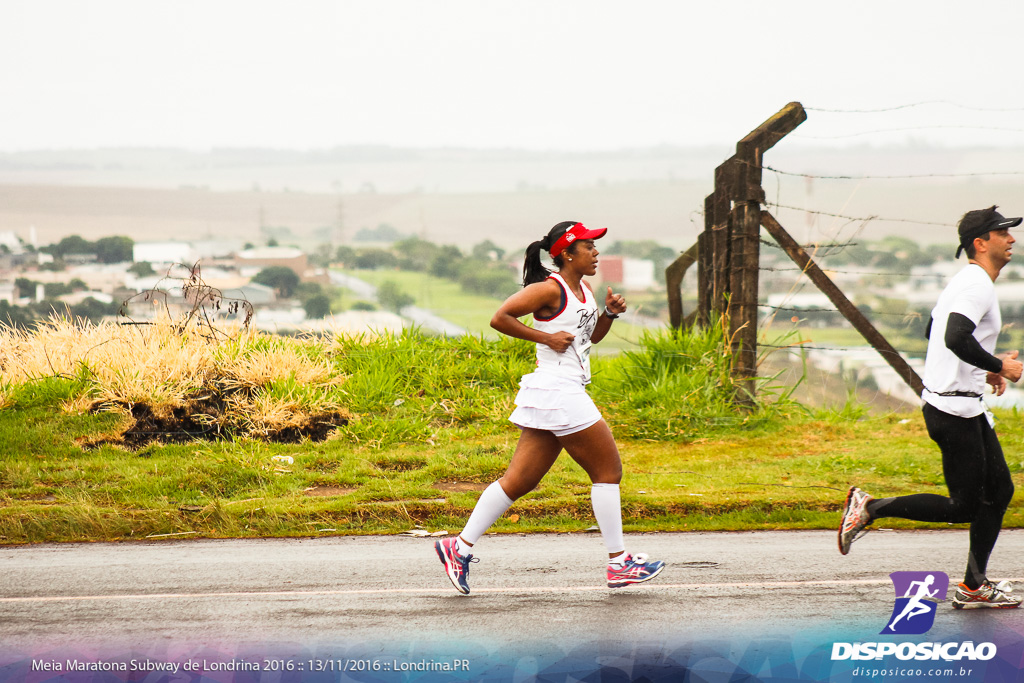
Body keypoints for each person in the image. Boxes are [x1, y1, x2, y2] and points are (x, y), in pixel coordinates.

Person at [434, 221, 665, 595]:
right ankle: (619, 563)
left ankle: (457, 548)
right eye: (589, 247)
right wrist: (545, 337)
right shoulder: (548, 289)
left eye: (596, 247)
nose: (596, 253)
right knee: (608, 470)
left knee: (519, 481)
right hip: (558, 390)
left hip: (557, 391)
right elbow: (500, 318)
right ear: (567, 253)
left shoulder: (585, 291)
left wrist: (608, 314)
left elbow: (589, 338)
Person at [839, 205, 1024, 609]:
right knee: (965, 506)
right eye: (1003, 233)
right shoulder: (976, 285)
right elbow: (956, 336)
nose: (1011, 239)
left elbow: (934, 329)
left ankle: (974, 584)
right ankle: (869, 507)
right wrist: (1000, 366)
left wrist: (982, 370)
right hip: (952, 412)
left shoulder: (967, 281)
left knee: (1000, 490)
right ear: (981, 242)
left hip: (964, 406)